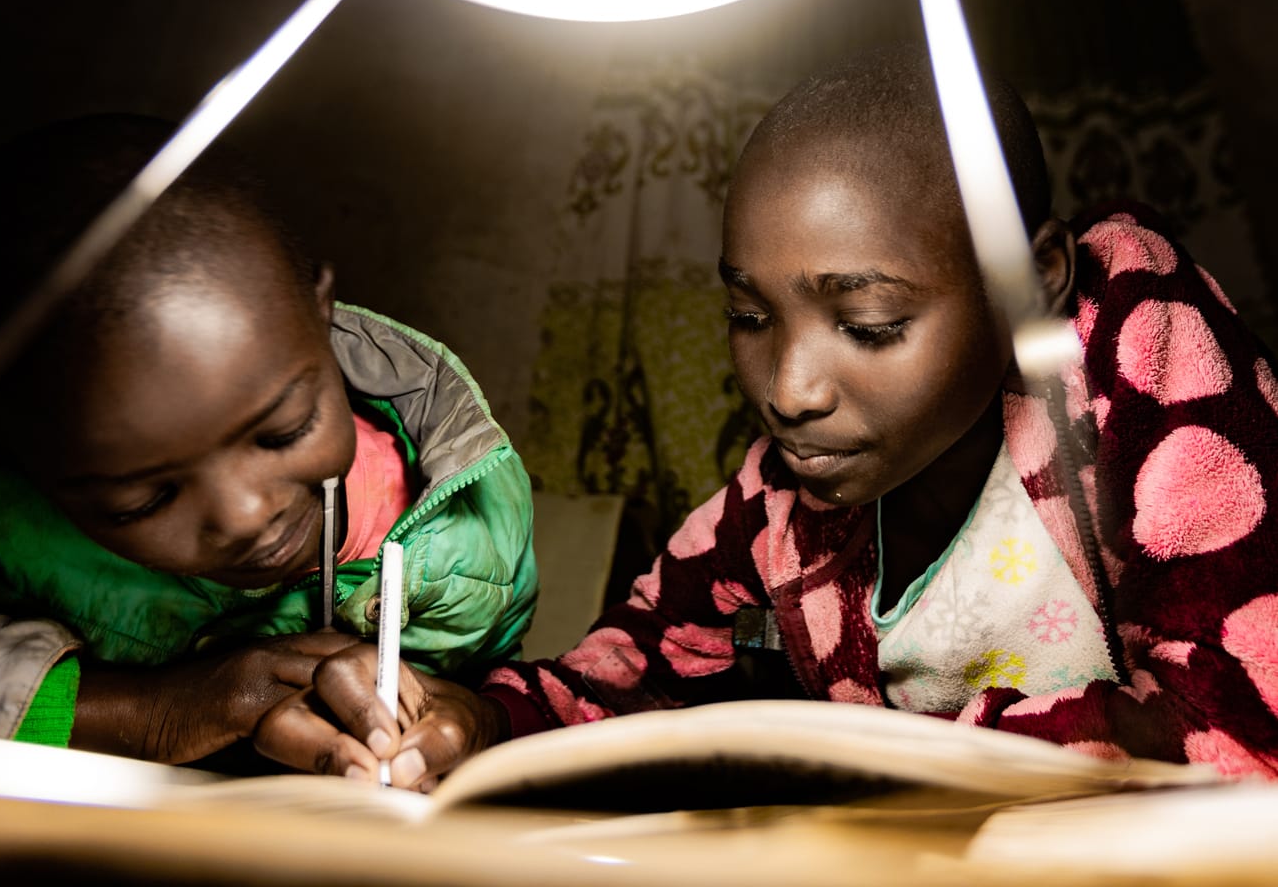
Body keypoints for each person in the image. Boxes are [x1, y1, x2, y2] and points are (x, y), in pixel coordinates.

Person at [269, 43, 1278, 787]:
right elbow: (636, 669)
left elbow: (1241, 722)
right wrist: (471, 719)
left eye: (870, 322)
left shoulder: (1137, 362)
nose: (789, 386)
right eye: (750, 315)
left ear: (1034, 282)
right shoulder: (783, 504)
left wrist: (894, 765)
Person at [0, 113, 537, 782]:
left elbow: (485, 701)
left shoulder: (466, 518)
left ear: (322, 312)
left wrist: (440, 725)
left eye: (282, 432)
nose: (245, 515)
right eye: (144, 498)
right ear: (16, 452)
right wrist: (151, 713)